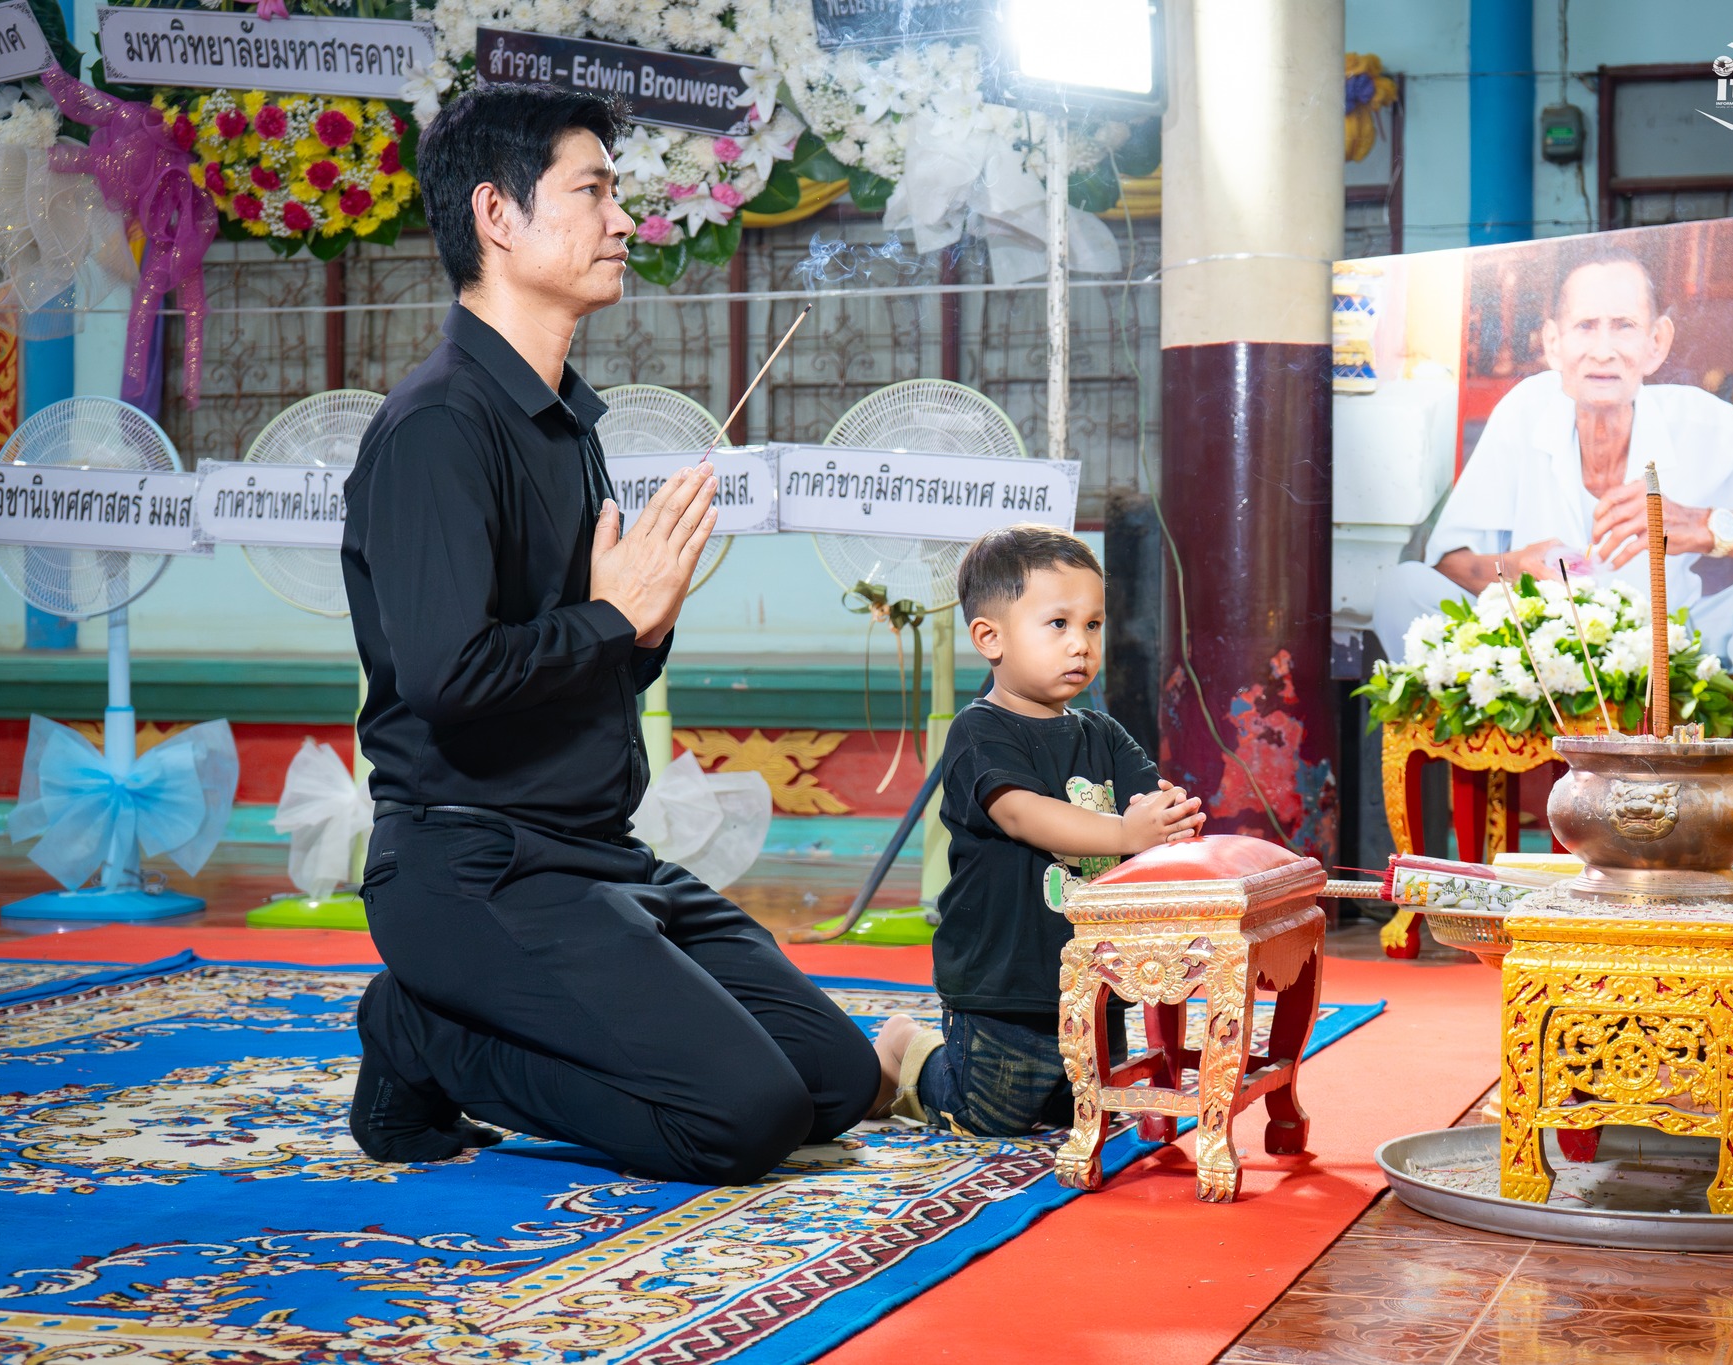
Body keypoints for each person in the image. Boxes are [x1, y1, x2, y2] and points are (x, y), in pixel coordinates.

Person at [340, 84, 884, 1184]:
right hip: (473, 867)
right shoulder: (438, 427)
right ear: (497, 215)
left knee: (835, 1079)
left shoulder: (567, 425)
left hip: (600, 855)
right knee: (743, 1118)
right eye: (592, 191)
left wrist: (642, 630)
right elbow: (449, 680)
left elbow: (586, 663)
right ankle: (421, 1031)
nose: (624, 219)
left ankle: (468, 1017)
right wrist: (612, 618)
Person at [873, 526, 1206, 1135]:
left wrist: (1170, 818)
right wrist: (1128, 834)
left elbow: (1148, 803)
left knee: (1089, 1108)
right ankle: (907, 1049)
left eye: (1093, 625)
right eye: (1058, 624)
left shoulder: (1103, 733)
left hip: (1094, 972)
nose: (1081, 644)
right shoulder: (979, 731)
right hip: (1004, 979)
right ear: (990, 637)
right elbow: (1022, 813)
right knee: (990, 1114)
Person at [1370, 248, 1733, 675]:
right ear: (1553, 343)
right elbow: (1448, 566)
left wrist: (1702, 525)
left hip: (1673, 654)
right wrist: (1514, 568)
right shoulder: (1524, 411)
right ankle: (1503, 729)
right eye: (1585, 326)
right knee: (1400, 591)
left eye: (1624, 326)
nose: (1603, 351)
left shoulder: (1707, 426)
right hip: (1536, 656)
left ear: (1657, 343)